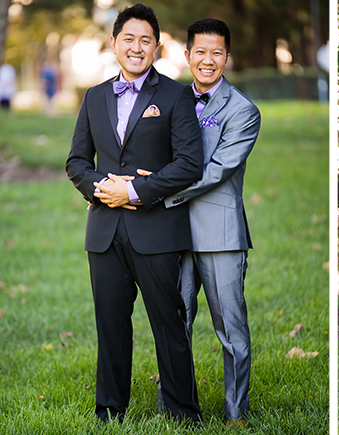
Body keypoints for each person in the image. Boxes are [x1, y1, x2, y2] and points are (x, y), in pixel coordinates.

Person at [65, 3, 203, 424]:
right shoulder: (94, 96)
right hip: (104, 230)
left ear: (157, 47)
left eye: (145, 40)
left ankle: (183, 413)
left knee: (169, 324)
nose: (136, 47)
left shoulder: (177, 94)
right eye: (129, 39)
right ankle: (109, 411)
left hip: (156, 229)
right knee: (110, 326)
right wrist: (102, 188)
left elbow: (188, 163)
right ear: (114, 43)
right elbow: (76, 162)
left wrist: (137, 191)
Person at [158, 18, 261, 426]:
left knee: (230, 329)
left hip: (219, 233)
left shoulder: (243, 111)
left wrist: (158, 196)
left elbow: (218, 170)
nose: (207, 59)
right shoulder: (171, 100)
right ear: (187, 56)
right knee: (175, 324)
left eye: (216, 52)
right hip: (174, 231)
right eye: (200, 51)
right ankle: (177, 408)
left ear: (227, 58)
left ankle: (236, 413)